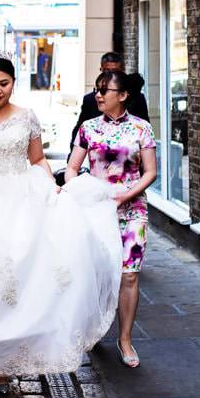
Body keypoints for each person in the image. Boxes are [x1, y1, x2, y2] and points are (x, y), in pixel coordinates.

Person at [0, 51, 123, 393]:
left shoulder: (27, 117)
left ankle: (14, 354)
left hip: (21, 198)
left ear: (14, 82)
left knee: (24, 275)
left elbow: (38, 158)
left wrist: (52, 186)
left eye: (3, 84)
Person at [66, 70, 157, 368]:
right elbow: (71, 168)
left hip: (132, 211)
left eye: (106, 90)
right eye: (97, 89)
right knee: (95, 272)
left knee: (129, 274)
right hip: (95, 210)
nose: (99, 95)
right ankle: (90, 332)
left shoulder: (142, 128)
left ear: (123, 95)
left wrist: (125, 195)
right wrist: (81, 191)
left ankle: (125, 338)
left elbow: (150, 172)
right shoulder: (88, 128)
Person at [69, 52, 149, 152]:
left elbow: (145, 137)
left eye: (115, 72)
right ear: (101, 70)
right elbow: (79, 133)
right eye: (107, 72)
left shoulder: (137, 99)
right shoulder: (90, 100)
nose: (110, 76)